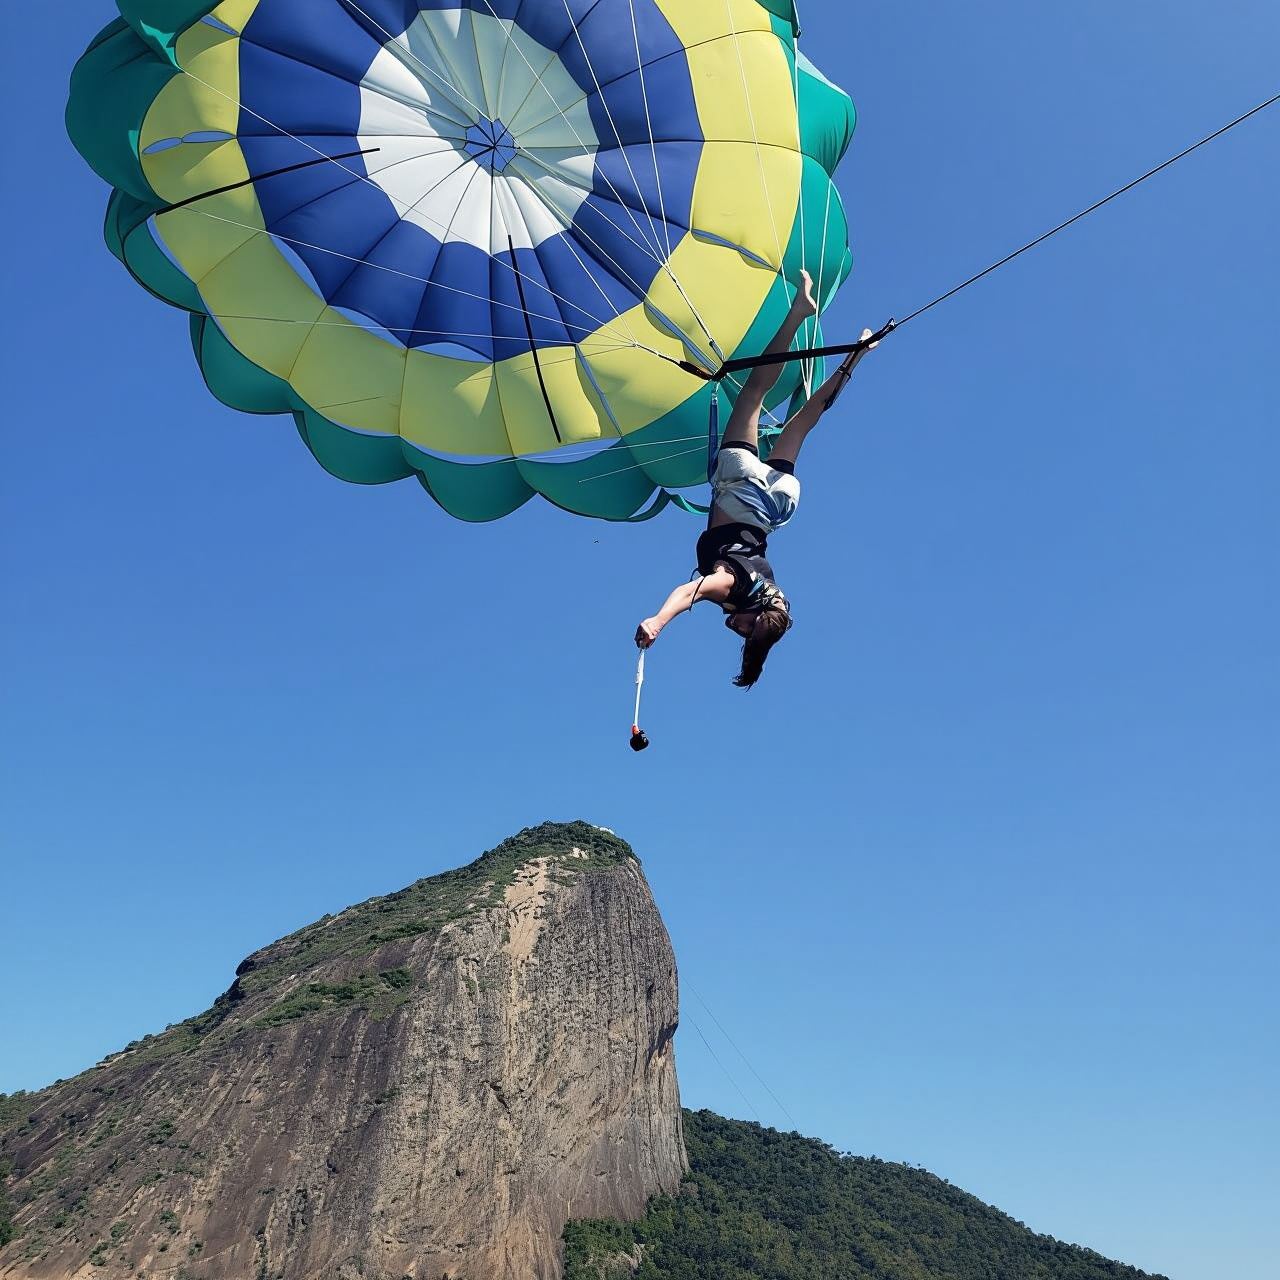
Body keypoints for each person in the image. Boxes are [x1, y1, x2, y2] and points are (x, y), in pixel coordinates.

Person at [634, 271, 878, 688]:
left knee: (802, 424)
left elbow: (765, 626)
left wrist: (754, 652)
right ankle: (798, 313)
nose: (735, 628)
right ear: (754, 618)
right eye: (745, 630)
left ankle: (855, 358)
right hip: (742, 490)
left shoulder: (773, 597)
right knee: (753, 393)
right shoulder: (731, 586)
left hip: (776, 505)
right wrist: (658, 621)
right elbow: (688, 593)